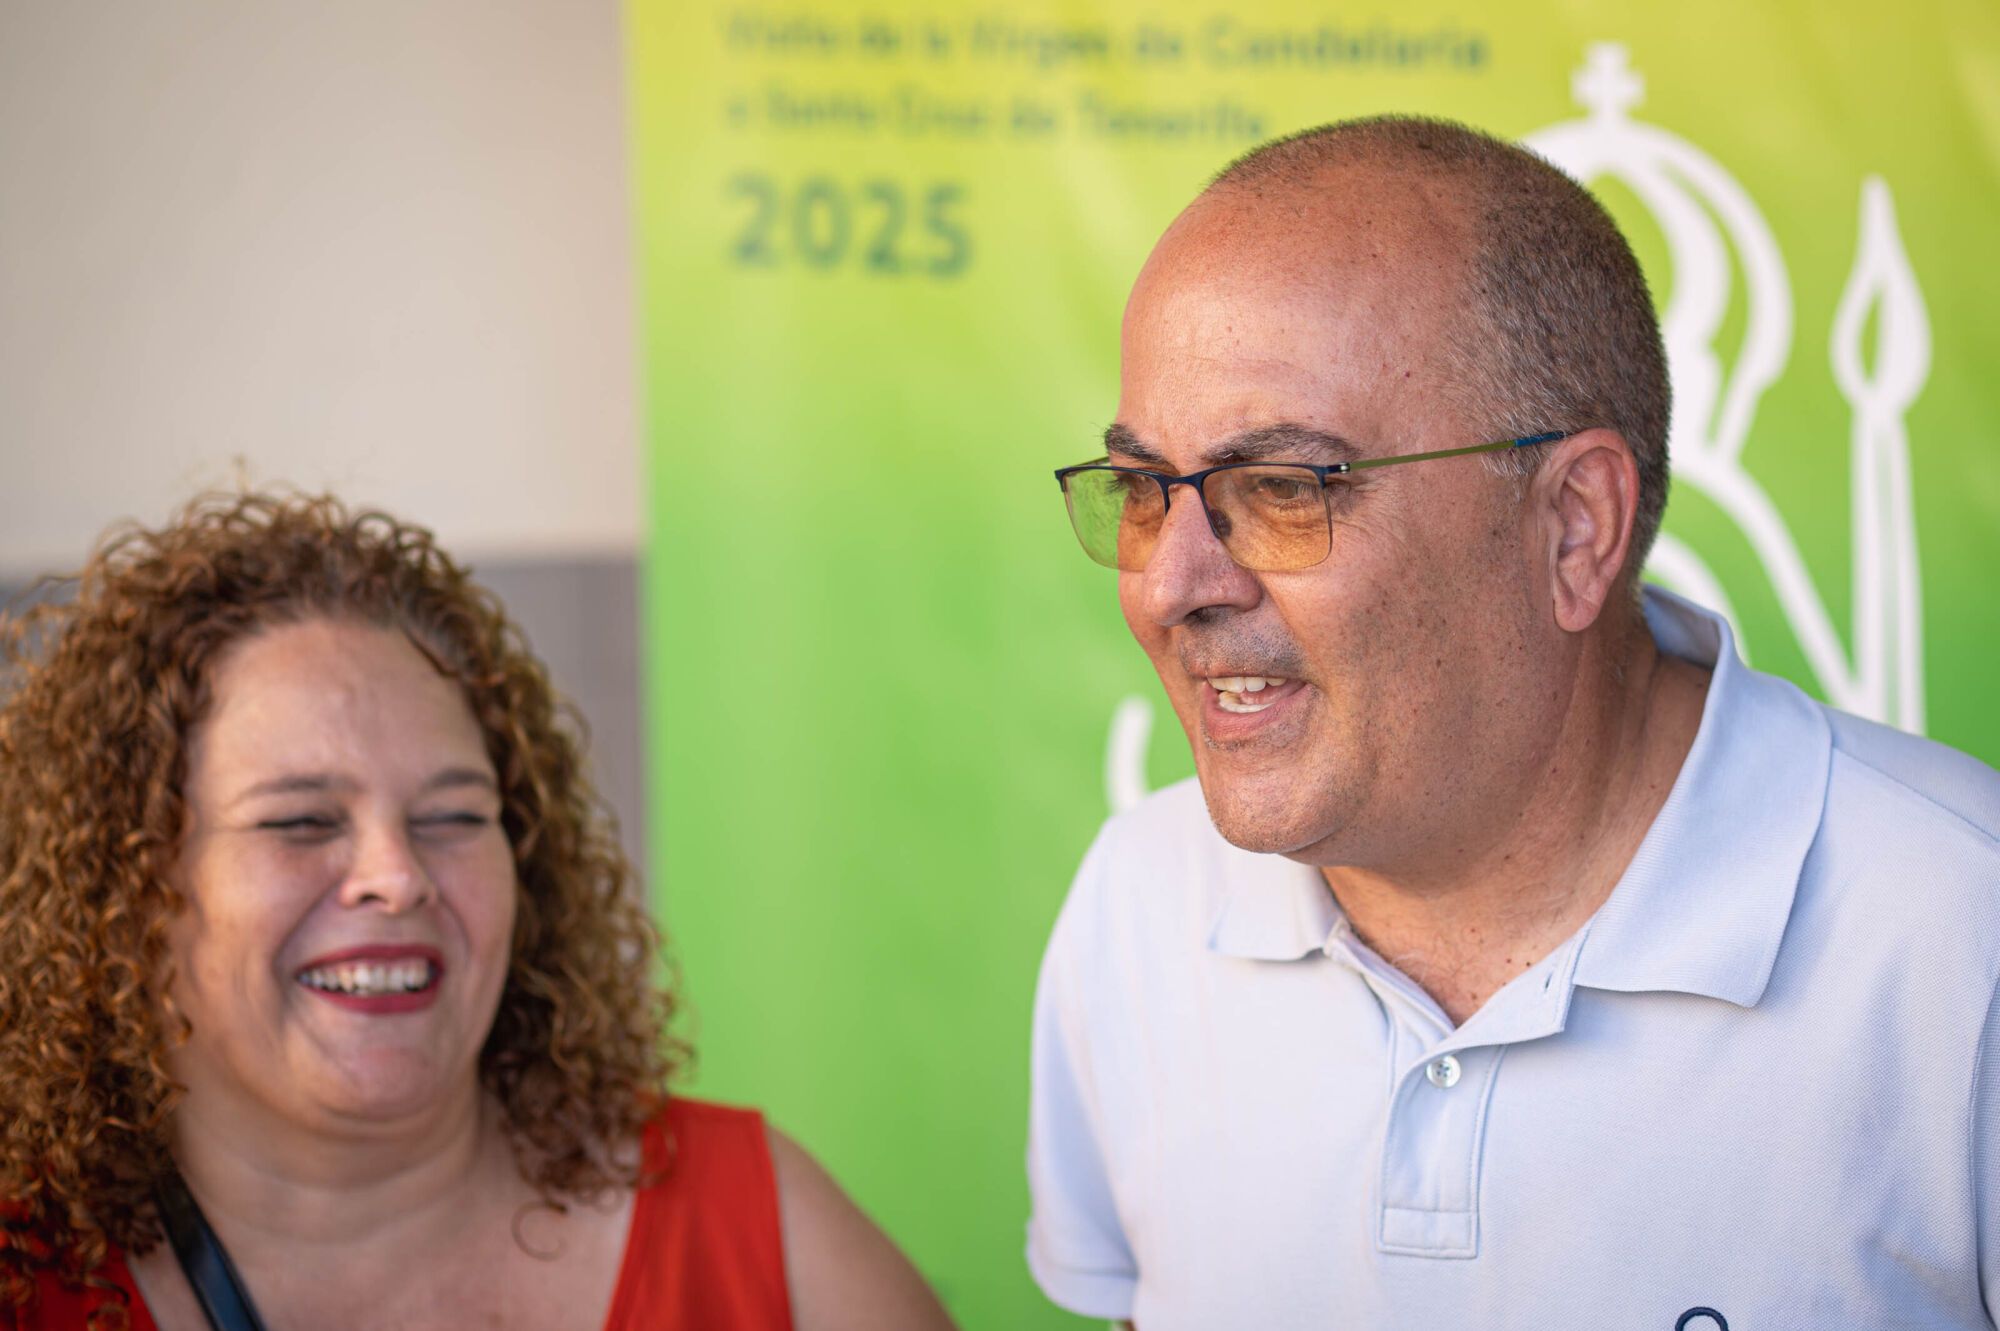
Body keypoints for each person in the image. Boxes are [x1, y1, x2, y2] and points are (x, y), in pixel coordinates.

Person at [1028, 116, 2000, 1330]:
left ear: (1573, 526)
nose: (1171, 586)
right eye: (1140, 489)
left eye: (1278, 488)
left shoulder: (1960, 943)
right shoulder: (1141, 904)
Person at [0, 492, 956, 1331]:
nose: (397, 874)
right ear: (122, 887)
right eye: (299, 820)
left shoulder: (754, 1225)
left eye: (453, 815)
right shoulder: (27, 1279)